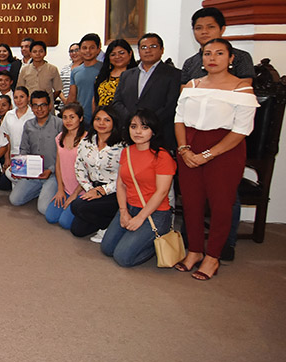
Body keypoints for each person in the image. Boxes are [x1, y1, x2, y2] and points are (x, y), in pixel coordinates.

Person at [174, 38, 258, 280]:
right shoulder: (192, 85)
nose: (212, 58)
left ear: (231, 59)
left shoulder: (241, 88)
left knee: (221, 205)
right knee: (192, 202)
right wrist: (184, 149)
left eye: (219, 53)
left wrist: (207, 155)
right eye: (207, 53)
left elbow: (241, 130)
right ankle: (195, 251)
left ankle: (213, 257)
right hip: (189, 147)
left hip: (225, 151)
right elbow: (179, 119)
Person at [101, 110, 177, 267]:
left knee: (122, 257)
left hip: (155, 213)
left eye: (144, 127)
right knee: (107, 248)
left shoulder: (162, 156)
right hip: (130, 207)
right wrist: (123, 211)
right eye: (133, 126)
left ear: (153, 130)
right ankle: (138, 238)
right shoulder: (126, 152)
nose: (138, 132)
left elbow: (162, 192)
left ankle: (157, 241)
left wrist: (140, 218)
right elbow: (121, 184)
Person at [112, 33, 181, 151]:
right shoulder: (127, 75)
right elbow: (117, 102)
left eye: (153, 46)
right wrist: (133, 122)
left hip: (160, 136)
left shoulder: (174, 74)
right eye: (143, 47)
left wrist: (146, 124)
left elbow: (171, 105)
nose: (147, 50)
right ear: (138, 51)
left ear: (162, 50)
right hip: (130, 136)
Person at [69, 106, 124, 242]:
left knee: (76, 206)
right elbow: (79, 168)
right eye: (98, 119)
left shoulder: (122, 145)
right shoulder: (86, 142)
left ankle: (110, 223)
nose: (101, 123)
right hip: (93, 187)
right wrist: (90, 189)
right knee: (77, 230)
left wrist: (103, 191)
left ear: (114, 122)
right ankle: (109, 223)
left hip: (115, 191)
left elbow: (125, 176)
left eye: (107, 120)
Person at [7, 91, 64, 213]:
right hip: (33, 172)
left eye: (43, 105)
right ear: (31, 107)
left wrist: (51, 170)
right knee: (14, 200)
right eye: (35, 105)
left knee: (43, 208)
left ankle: (48, 189)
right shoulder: (28, 125)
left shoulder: (59, 124)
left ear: (49, 106)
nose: (39, 109)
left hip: (53, 173)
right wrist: (19, 167)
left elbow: (64, 154)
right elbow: (24, 149)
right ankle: (41, 190)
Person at [46, 103, 87, 228]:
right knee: (51, 217)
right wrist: (60, 189)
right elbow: (58, 165)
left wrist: (75, 195)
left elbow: (90, 172)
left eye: (72, 117)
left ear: (80, 118)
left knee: (65, 223)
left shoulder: (88, 140)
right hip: (65, 188)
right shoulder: (59, 138)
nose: (68, 121)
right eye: (65, 117)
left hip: (81, 190)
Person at [0, 86, 33, 191]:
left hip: (29, 156)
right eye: (16, 97)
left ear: (28, 98)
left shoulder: (33, 115)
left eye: (22, 97)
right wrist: (7, 158)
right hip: (14, 156)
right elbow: (6, 137)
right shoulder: (9, 115)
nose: (19, 100)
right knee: (9, 177)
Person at [68, 33, 103, 123]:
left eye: (92, 48)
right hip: (81, 118)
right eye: (84, 48)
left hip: (100, 118)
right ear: (80, 50)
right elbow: (72, 96)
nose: (88, 51)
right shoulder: (75, 71)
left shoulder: (104, 69)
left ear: (98, 49)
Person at [93, 38, 137, 110]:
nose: (117, 57)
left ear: (130, 53)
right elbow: (95, 101)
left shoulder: (136, 75)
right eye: (113, 54)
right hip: (102, 115)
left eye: (121, 53)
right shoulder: (103, 76)